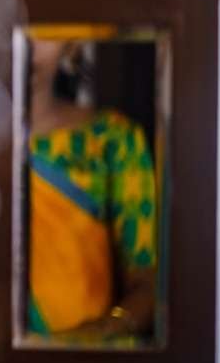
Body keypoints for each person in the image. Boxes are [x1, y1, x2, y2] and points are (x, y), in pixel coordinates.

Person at [25, 31, 157, 343]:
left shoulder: (112, 140)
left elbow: (148, 286)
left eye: (44, 29)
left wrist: (88, 340)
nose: (27, 42)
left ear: (71, 45)